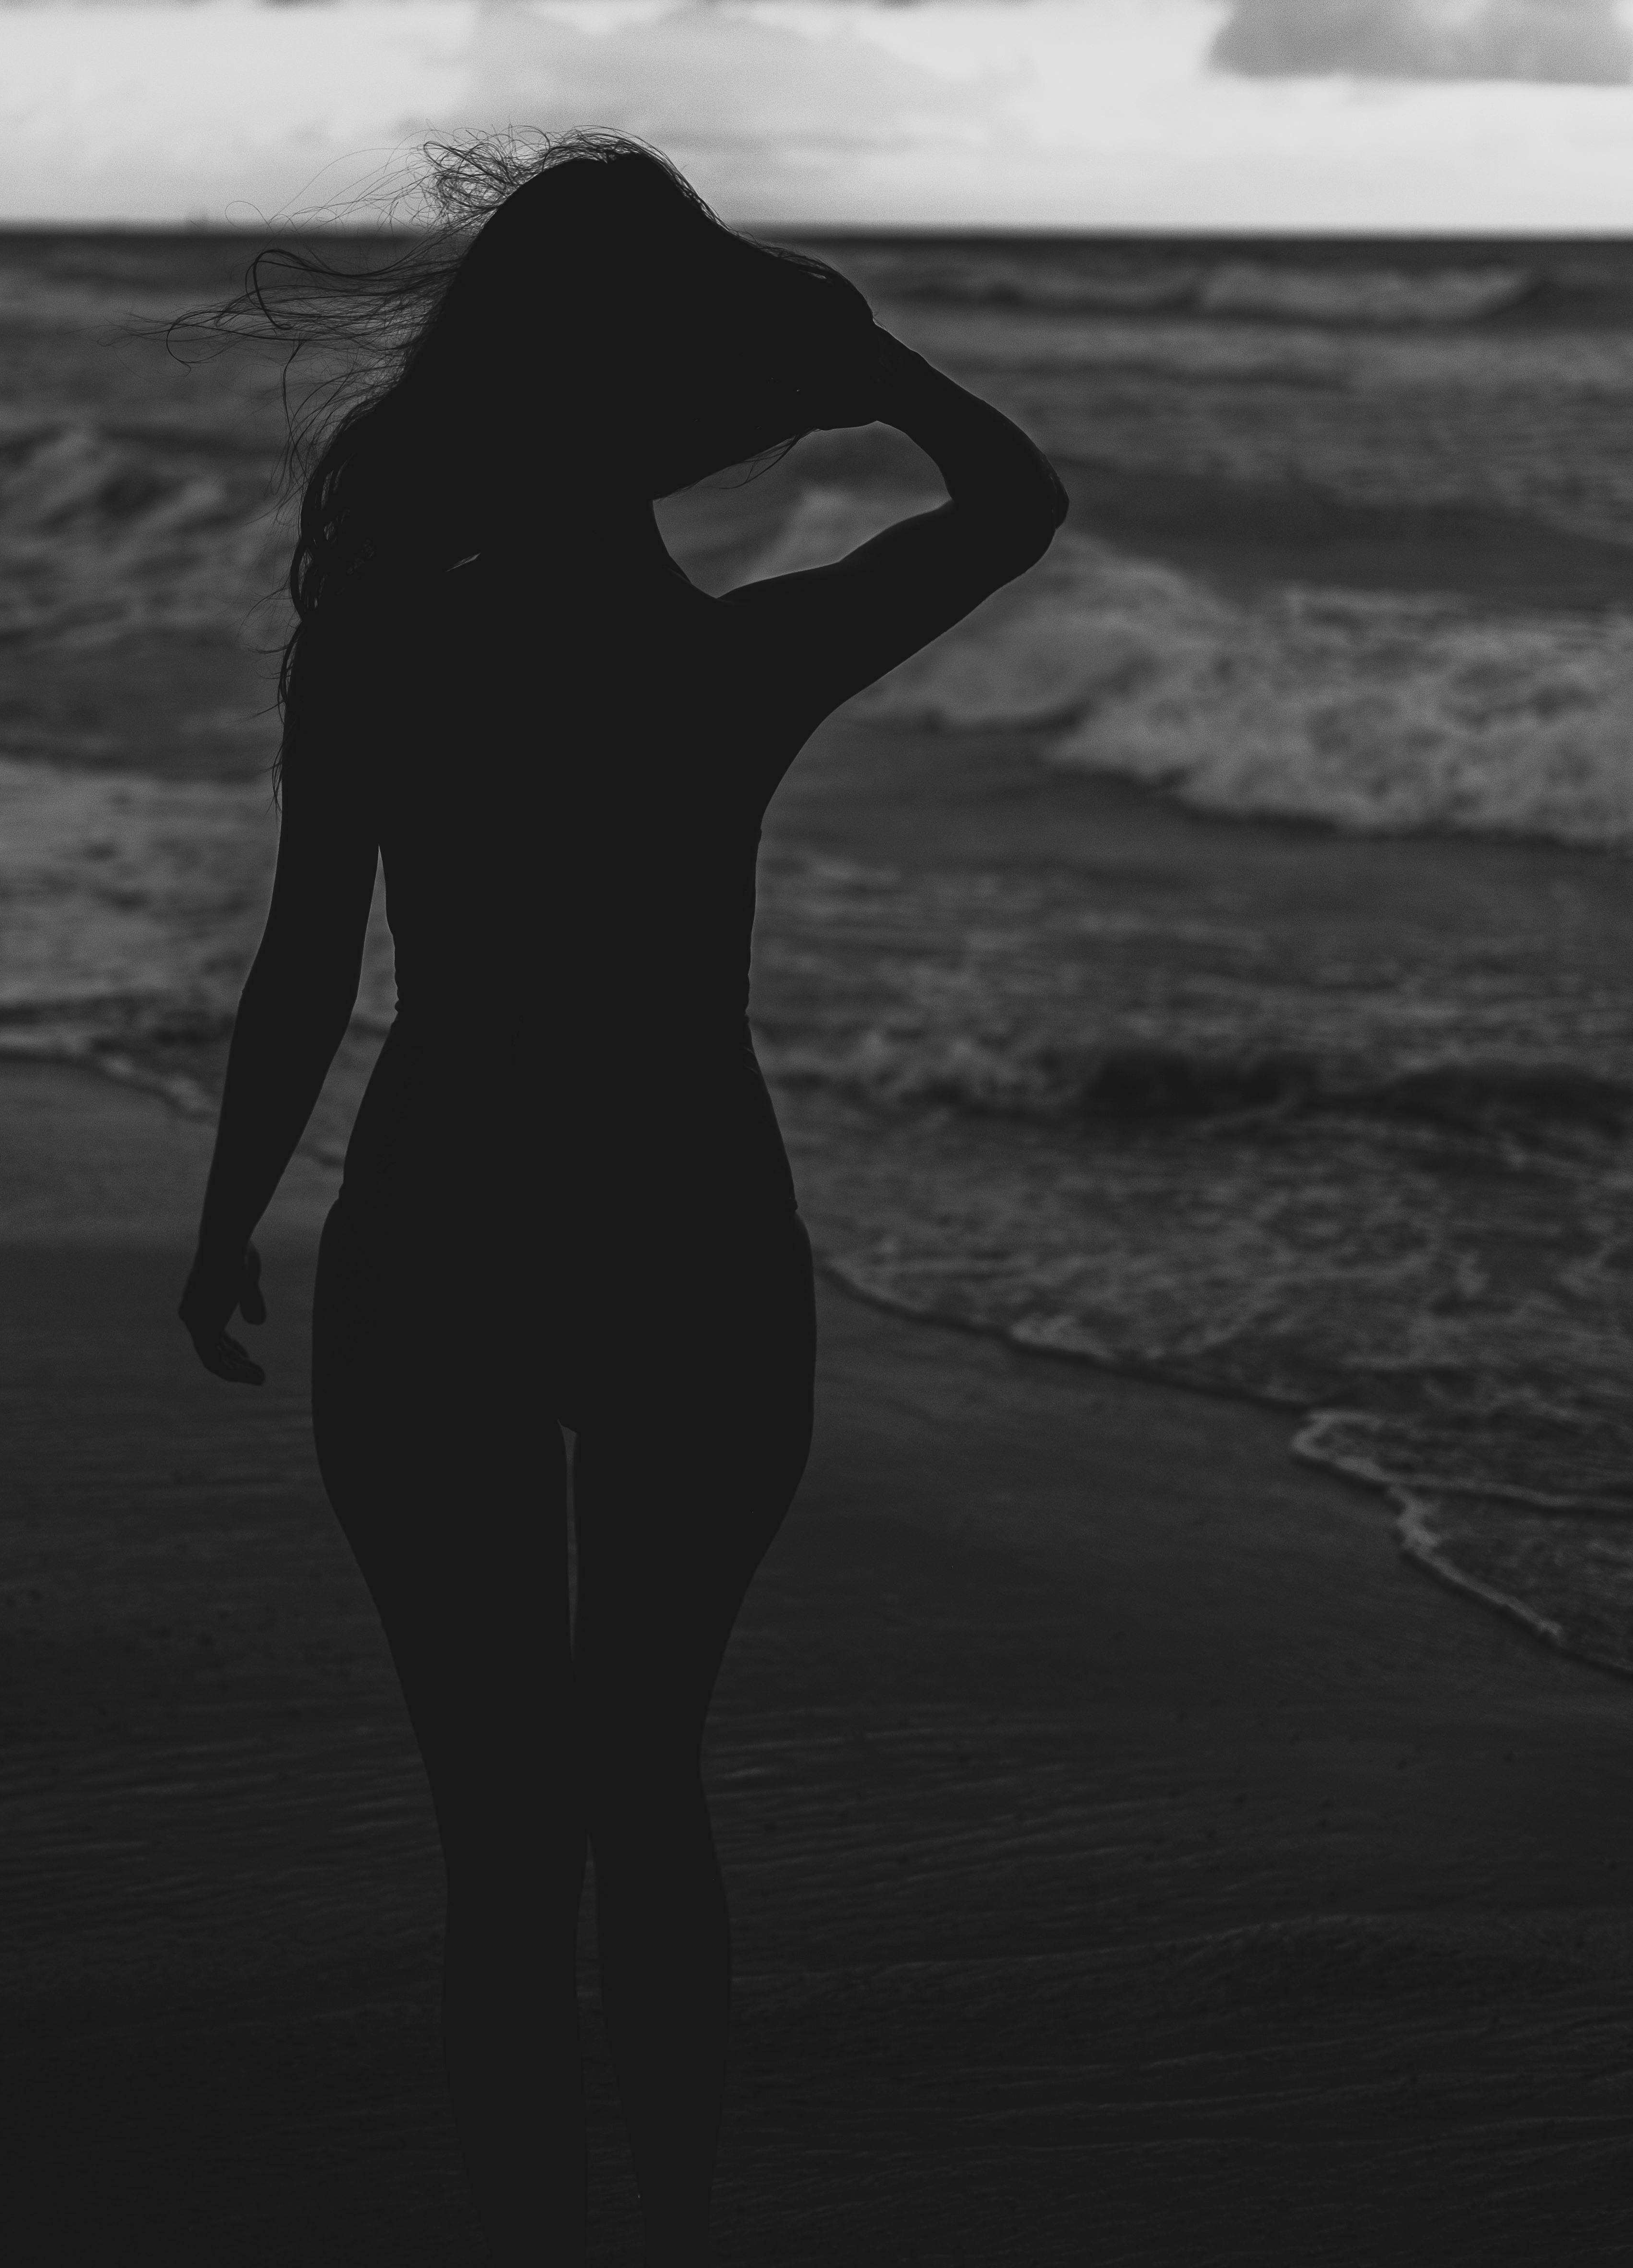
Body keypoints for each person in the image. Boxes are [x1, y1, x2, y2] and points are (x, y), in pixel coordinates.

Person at [176, 135, 1067, 2265]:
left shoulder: (390, 646)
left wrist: (224, 1220)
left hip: (446, 1226)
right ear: (667, 410)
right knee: (643, 1793)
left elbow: (311, 954)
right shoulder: (732, 667)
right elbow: (1014, 505)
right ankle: (672, 2231)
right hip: (686, 1232)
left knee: (504, 1848)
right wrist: (873, 368)